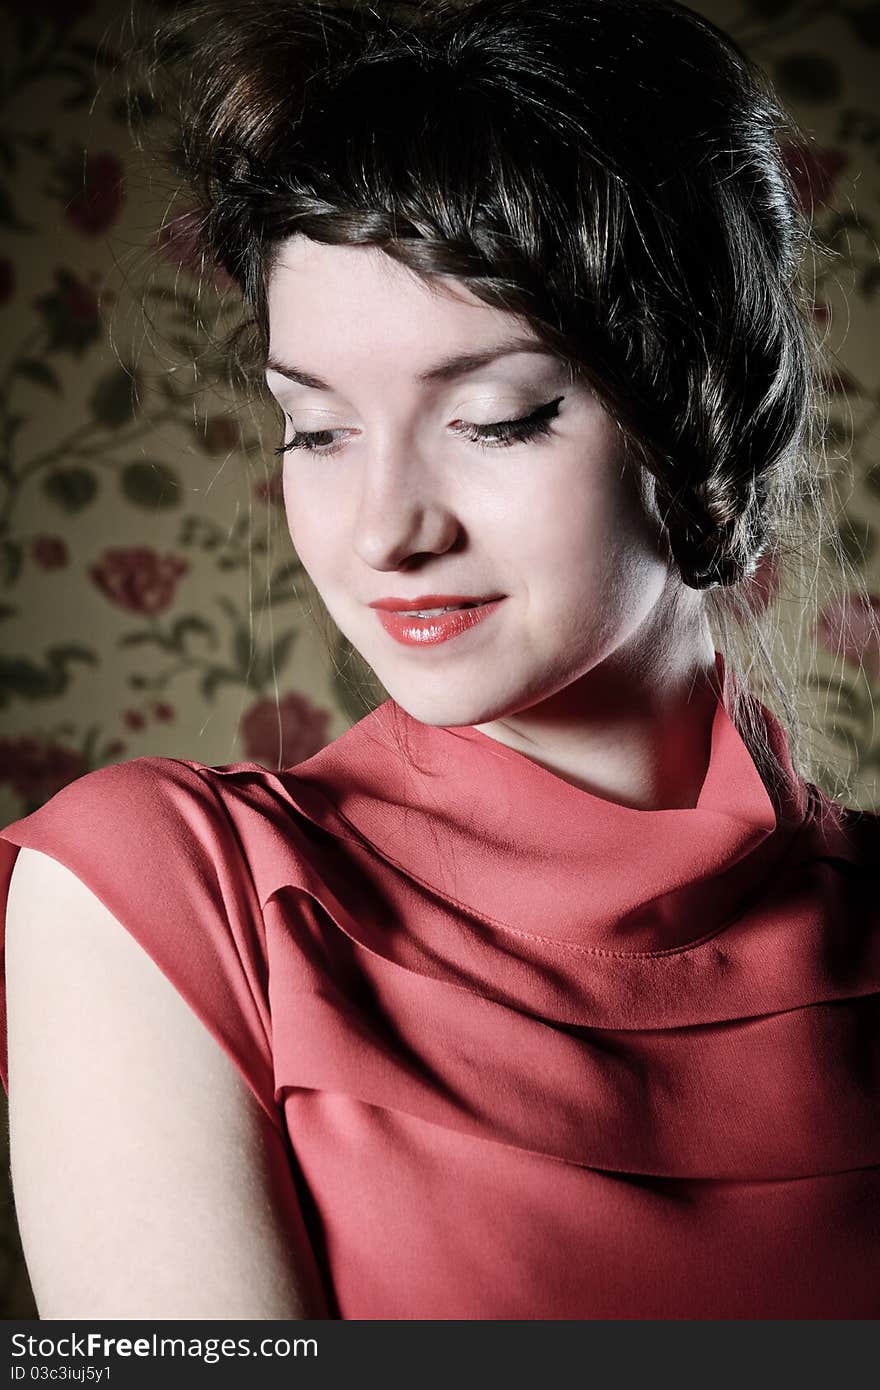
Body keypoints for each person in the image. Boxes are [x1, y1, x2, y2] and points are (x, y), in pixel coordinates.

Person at [1, 0, 878, 1320]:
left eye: (497, 418)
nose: (384, 530)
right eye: (316, 430)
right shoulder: (163, 894)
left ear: (700, 410)